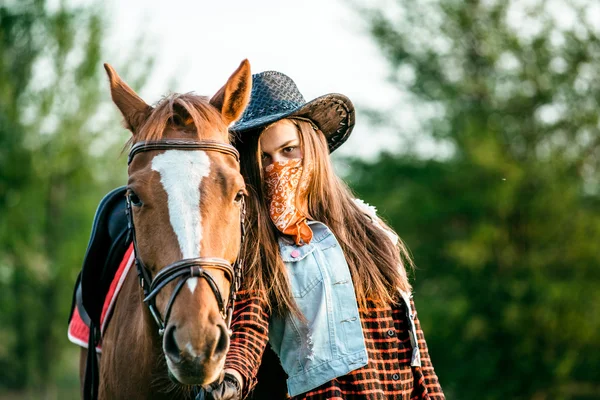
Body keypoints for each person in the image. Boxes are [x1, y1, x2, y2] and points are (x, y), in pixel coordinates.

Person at [197, 71, 445, 400]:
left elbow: (415, 347)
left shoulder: (371, 230)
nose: (278, 166)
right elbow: (249, 322)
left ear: (313, 149)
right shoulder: (259, 243)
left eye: (289, 150)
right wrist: (231, 377)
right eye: (265, 158)